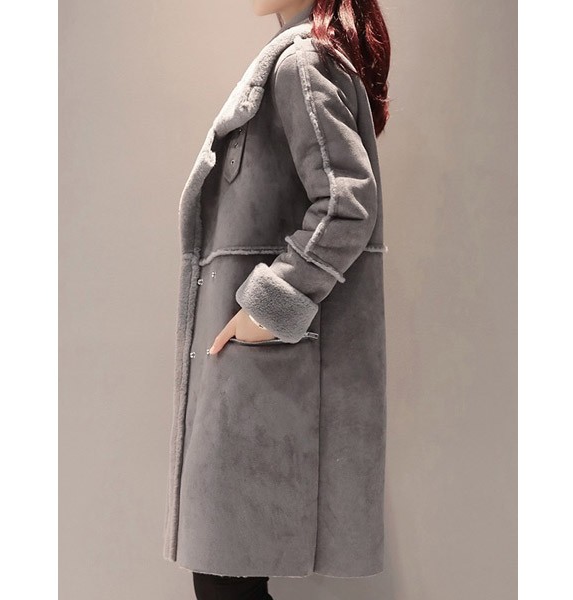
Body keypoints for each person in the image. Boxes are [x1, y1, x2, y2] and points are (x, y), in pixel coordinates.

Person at [162, 1, 391, 598]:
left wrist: (269, 308)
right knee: (225, 581)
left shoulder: (302, 62)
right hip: (261, 382)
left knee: (224, 584)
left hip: (270, 383)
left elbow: (347, 203)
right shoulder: (296, 59)